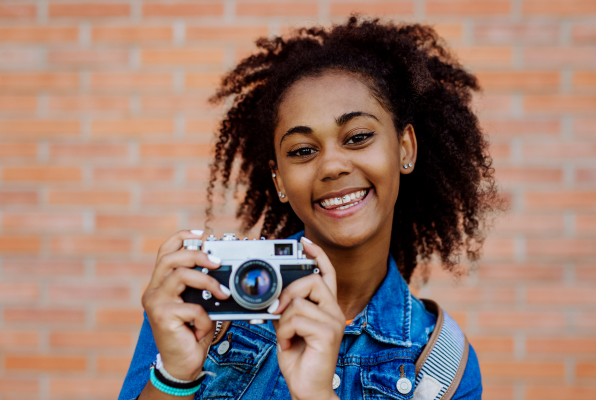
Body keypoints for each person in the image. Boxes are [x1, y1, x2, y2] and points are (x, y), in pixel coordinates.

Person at [119, 16, 498, 400]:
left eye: (358, 137)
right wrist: (175, 376)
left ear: (405, 149)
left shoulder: (443, 365)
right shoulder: (203, 304)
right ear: (280, 180)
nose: (332, 165)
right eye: (302, 150)